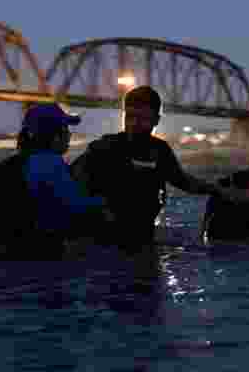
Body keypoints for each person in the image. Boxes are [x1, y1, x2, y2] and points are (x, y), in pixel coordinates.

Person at [70, 86, 225, 249]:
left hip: (143, 234)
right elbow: (73, 183)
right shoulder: (104, 148)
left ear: (156, 120)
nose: (134, 124)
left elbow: (183, 181)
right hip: (105, 237)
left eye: (143, 118)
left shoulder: (159, 150)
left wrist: (216, 189)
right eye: (129, 117)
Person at [0, 103, 112, 258]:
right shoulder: (49, 162)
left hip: (0, 245)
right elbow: (75, 205)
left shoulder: (13, 163)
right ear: (55, 135)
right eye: (66, 130)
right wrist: (105, 202)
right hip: (35, 249)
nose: (69, 136)